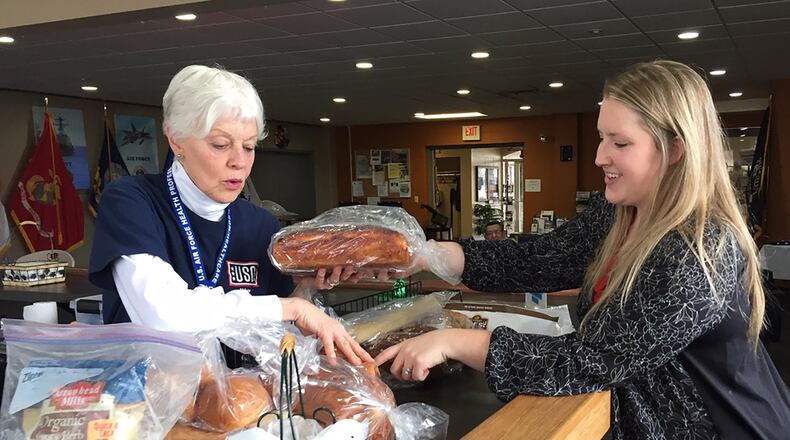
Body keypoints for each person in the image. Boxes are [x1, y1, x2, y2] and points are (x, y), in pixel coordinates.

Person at [375, 60, 790, 438]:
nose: (598, 156)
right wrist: (422, 255)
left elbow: (588, 361)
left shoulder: (699, 250)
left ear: (676, 151)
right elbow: (539, 258)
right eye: (601, 138)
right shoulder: (621, 213)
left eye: (620, 143)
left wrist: (453, 342)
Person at [90, 65, 369, 364]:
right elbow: (163, 314)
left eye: (249, 146)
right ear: (176, 140)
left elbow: (275, 331)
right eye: (220, 145)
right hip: (147, 401)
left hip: (242, 402)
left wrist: (305, 290)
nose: (239, 162)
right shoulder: (132, 201)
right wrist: (290, 308)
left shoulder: (260, 224)